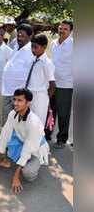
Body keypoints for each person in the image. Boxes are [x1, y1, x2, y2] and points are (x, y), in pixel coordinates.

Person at [0, 88, 50, 193]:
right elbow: (5, 134)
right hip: (21, 141)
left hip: (35, 150)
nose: (15, 103)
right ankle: (6, 160)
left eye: (19, 100)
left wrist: (16, 177)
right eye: (14, 100)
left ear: (28, 103)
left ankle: (33, 166)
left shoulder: (33, 122)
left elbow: (28, 148)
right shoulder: (13, 113)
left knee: (28, 173)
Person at [48, 20, 74, 148]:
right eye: (60, 28)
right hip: (52, 83)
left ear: (70, 31)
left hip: (66, 84)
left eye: (65, 29)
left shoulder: (74, 44)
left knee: (63, 113)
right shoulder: (53, 44)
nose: (62, 31)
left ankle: (62, 139)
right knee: (50, 110)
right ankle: (47, 134)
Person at [2, 24, 34, 124]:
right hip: (7, 91)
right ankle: (7, 139)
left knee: (18, 123)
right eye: (18, 35)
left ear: (30, 37)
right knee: (7, 122)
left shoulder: (31, 52)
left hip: (19, 94)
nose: (19, 38)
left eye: (22, 36)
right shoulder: (16, 47)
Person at [27, 34, 56, 127]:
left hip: (40, 96)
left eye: (36, 47)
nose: (33, 50)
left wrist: (46, 99)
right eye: (32, 47)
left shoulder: (47, 63)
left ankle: (38, 141)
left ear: (44, 47)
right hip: (30, 94)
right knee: (29, 122)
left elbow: (52, 84)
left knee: (38, 123)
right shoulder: (33, 59)